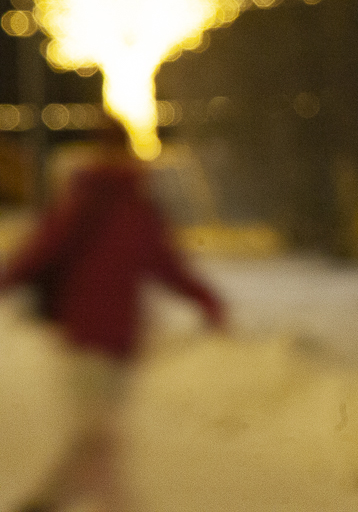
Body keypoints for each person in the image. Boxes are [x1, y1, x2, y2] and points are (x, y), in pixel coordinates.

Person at [0, 116, 226, 512]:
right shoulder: (129, 206)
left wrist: (205, 299)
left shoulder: (90, 200)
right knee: (98, 432)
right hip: (106, 339)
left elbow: (43, 250)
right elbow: (167, 264)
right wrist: (205, 300)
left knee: (96, 433)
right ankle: (94, 503)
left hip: (96, 338)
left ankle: (53, 500)